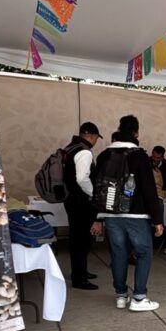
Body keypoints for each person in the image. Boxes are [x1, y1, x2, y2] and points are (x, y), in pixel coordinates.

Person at [90, 116, 164, 311]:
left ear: (119, 129)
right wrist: (157, 219)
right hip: (136, 215)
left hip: (110, 215)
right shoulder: (139, 156)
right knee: (144, 253)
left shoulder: (104, 155)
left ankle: (121, 296)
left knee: (118, 254)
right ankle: (139, 298)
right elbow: (149, 189)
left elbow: (96, 188)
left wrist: (97, 217)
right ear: (136, 133)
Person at [61, 122, 101, 290]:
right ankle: (79, 278)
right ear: (91, 135)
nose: (96, 141)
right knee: (81, 240)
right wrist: (93, 193)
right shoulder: (84, 152)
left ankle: (80, 271)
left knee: (77, 239)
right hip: (81, 202)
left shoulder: (70, 148)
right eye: (96, 138)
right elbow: (82, 178)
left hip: (71, 200)